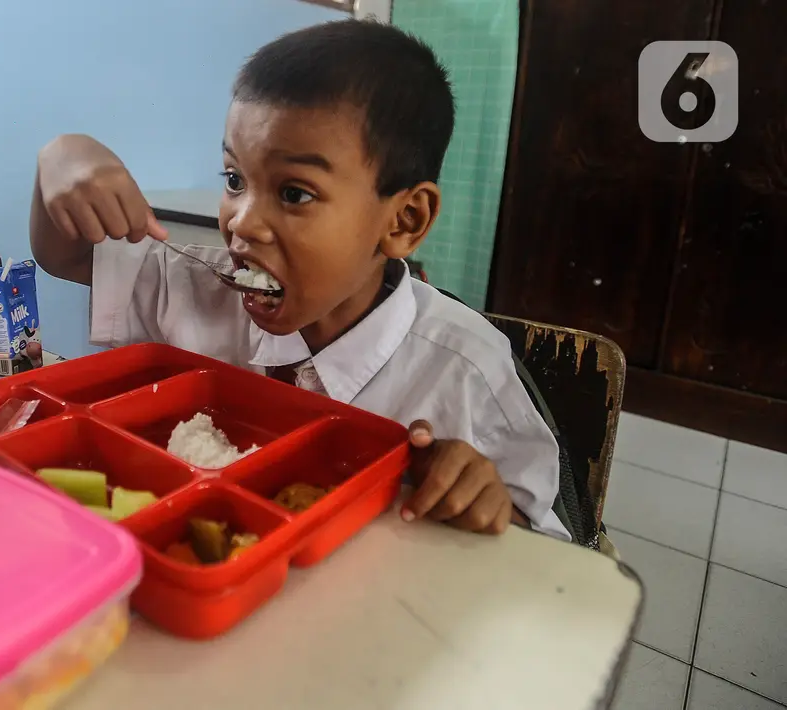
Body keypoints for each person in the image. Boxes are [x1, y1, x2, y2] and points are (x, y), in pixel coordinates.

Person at [28, 19, 568, 540]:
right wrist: (60, 157)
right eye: (235, 179)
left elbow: (541, 544)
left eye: (294, 193)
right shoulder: (198, 288)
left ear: (404, 221)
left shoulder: (466, 372)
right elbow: (68, 257)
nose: (241, 221)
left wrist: (483, 499)